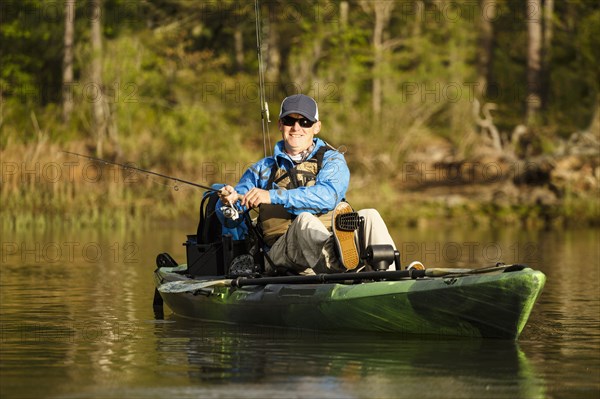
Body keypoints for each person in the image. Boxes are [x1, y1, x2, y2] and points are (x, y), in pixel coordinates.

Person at [218, 94, 397, 275]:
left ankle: (390, 276)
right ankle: (343, 269)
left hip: (332, 236)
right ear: (280, 124)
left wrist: (271, 195)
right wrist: (228, 201)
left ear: (317, 127)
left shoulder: (332, 160)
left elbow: (328, 196)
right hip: (281, 252)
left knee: (370, 216)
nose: (296, 128)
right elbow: (233, 216)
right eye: (289, 121)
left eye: (305, 122)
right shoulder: (262, 169)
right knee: (304, 221)